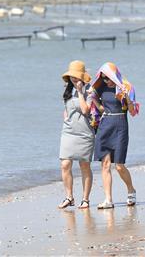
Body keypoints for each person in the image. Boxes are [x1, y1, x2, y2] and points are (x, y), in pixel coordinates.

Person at [91, 62, 137, 209]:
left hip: (120, 125)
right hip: (105, 126)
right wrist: (93, 101)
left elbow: (132, 111)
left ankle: (131, 189)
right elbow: (101, 108)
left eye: (108, 78)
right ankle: (108, 200)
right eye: (103, 78)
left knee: (119, 165)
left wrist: (127, 98)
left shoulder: (126, 87)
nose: (106, 81)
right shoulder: (100, 88)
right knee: (105, 165)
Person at [58, 60, 95, 209]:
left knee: (84, 165)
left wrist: (80, 91)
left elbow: (86, 110)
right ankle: (69, 197)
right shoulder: (67, 90)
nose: (73, 78)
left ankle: (85, 199)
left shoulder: (90, 90)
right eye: (71, 76)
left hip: (85, 132)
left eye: (76, 76)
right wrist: (66, 116)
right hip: (68, 131)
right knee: (65, 164)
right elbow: (66, 107)